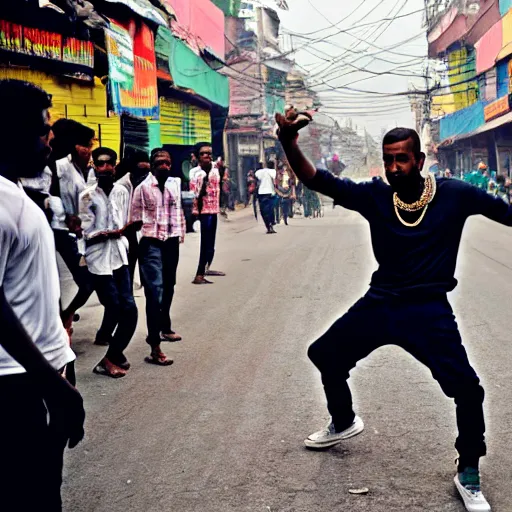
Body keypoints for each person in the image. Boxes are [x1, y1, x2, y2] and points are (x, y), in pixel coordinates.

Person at [276, 106, 504, 512]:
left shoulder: (455, 194)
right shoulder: (375, 196)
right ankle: (343, 421)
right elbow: (316, 179)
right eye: (388, 159)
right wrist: (289, 142)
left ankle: (468, 471)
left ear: (419, 160)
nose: (394, 167)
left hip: (428, 311)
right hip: (381, 303)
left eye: (402, 158)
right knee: (324, 354)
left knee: (468, 390)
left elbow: (506, 213)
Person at [0, 79, 85, 511]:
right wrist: (54, 386)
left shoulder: (15, 192)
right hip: (17, 386)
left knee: (43, 489)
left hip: (36, 375)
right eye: (41, 130)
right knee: (30, 495)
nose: (50, 139)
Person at [78, 147, 138, 377]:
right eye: (100, 164)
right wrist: (106, 233)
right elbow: (84, 231)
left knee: (130, 310)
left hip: (119, 256)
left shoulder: (122, 192)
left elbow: (125, 222)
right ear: (94, 165)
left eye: (109, 163)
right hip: (97, 259)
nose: (105, 168)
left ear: (115, 165)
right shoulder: (87, 195)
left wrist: (123, 234)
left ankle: (112, 355)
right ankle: (111, 356)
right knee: (115, 306)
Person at [131, 149, 183, 365]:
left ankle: (164, 327)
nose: (164, 166)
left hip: (171, 241)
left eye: (167, 162)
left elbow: (178, 212)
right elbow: (134, 220)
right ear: (152, 165)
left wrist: (179, 235)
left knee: (169, 285)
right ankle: (155, 346)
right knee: (155, 292)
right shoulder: (142, 189)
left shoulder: (175, 185)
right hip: (151, 243)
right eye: (160, 162)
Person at [112, 150, 151, 288]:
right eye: (141, 170)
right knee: (127, 266)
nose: (144, 175)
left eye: (147, 170)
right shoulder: (121, 185)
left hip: (145, 231)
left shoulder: (151, 183)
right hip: (126, 231)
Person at [190, 144, 226, 284]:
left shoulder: (216, 169)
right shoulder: (195, 172)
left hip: (214, 208)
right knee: (205, 243)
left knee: (211, 243)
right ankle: (199, 274)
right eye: (204, 153)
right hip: (203, 211)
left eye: (209, 153)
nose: (207, 156)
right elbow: (195, 194)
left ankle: (206, 267)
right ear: (198, 156)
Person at [256, 161, 277, 234]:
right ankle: (271, 224)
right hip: (269, 193)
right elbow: (275, 179)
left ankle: (268, 226)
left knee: (263, 211)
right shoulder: (273, 171)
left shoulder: (259, 172)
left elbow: (257, 177)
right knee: (270, 210)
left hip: (261, 193)